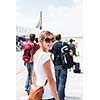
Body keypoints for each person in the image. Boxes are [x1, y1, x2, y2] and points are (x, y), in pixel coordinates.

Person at [31, 30, 60, 100]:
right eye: (47, 40)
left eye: (52, 40)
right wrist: (57, 98)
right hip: (48, 95)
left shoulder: (37, 53)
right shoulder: (45, 56)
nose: (50, 42)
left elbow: (33, 75)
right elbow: (51, 80)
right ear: (40, 41)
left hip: (39, 93)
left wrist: (33, 89)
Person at [49, 34, 68, 100]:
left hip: (56, 65)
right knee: (62, 82)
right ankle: (61, 97)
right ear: (60, 38)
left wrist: (53, 62)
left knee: (57, 81)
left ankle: (57, 96)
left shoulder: (54, 45)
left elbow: (50, 55)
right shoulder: (63, 44)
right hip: (63, 65)